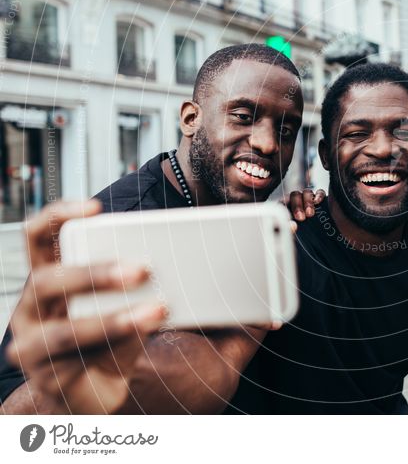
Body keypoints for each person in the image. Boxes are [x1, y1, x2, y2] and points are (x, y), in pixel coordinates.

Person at [0, 43, 309, 414]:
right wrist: (75, 395)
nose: (268, 143)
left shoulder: (256, 218)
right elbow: (13, 404)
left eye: (286, 130)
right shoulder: (114, 224)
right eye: (243, 116)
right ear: (190, 118)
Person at [228, 63, 408, 414]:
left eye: (404, 132)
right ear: (326, 156)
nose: (383, 149)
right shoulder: (280, 245)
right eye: (356, 133)